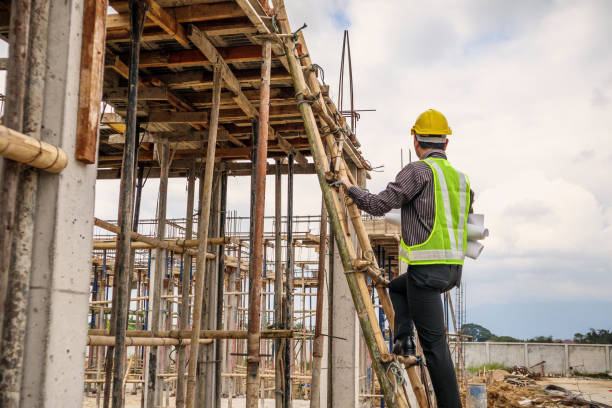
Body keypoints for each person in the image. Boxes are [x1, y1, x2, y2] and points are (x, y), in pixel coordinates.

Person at [338, 109, 471, 408]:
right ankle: (402, 339)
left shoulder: (418, 171)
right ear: (446, 143)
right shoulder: (461, 180)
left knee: (436, 349)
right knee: (397, 287)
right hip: (452, 271)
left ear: (416, 140)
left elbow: (378, 204)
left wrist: (351, 189)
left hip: (426, 272)